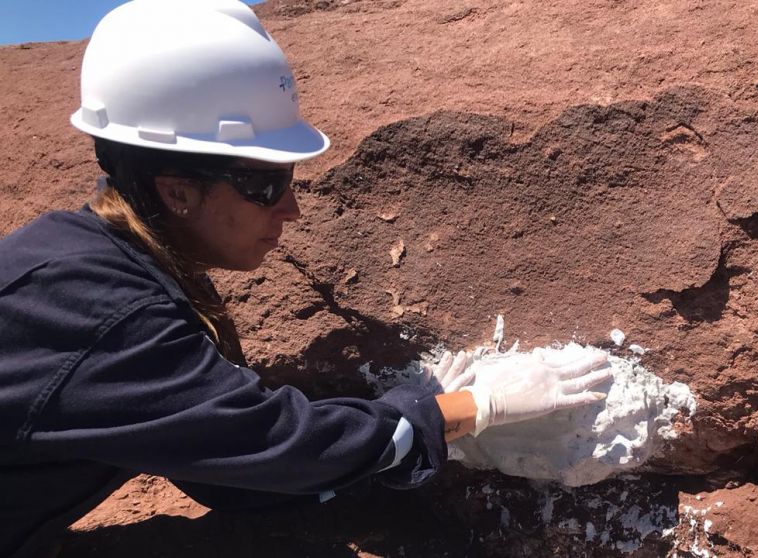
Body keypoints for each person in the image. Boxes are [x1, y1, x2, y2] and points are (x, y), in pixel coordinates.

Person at [0, 1, 612, 557]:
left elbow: (224, 464)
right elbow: (276, 445)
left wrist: (401, 425)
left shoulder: (97, 264)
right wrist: (471, 408)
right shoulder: (100, 314)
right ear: (177, 191)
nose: (291, 209)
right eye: (266, 185)